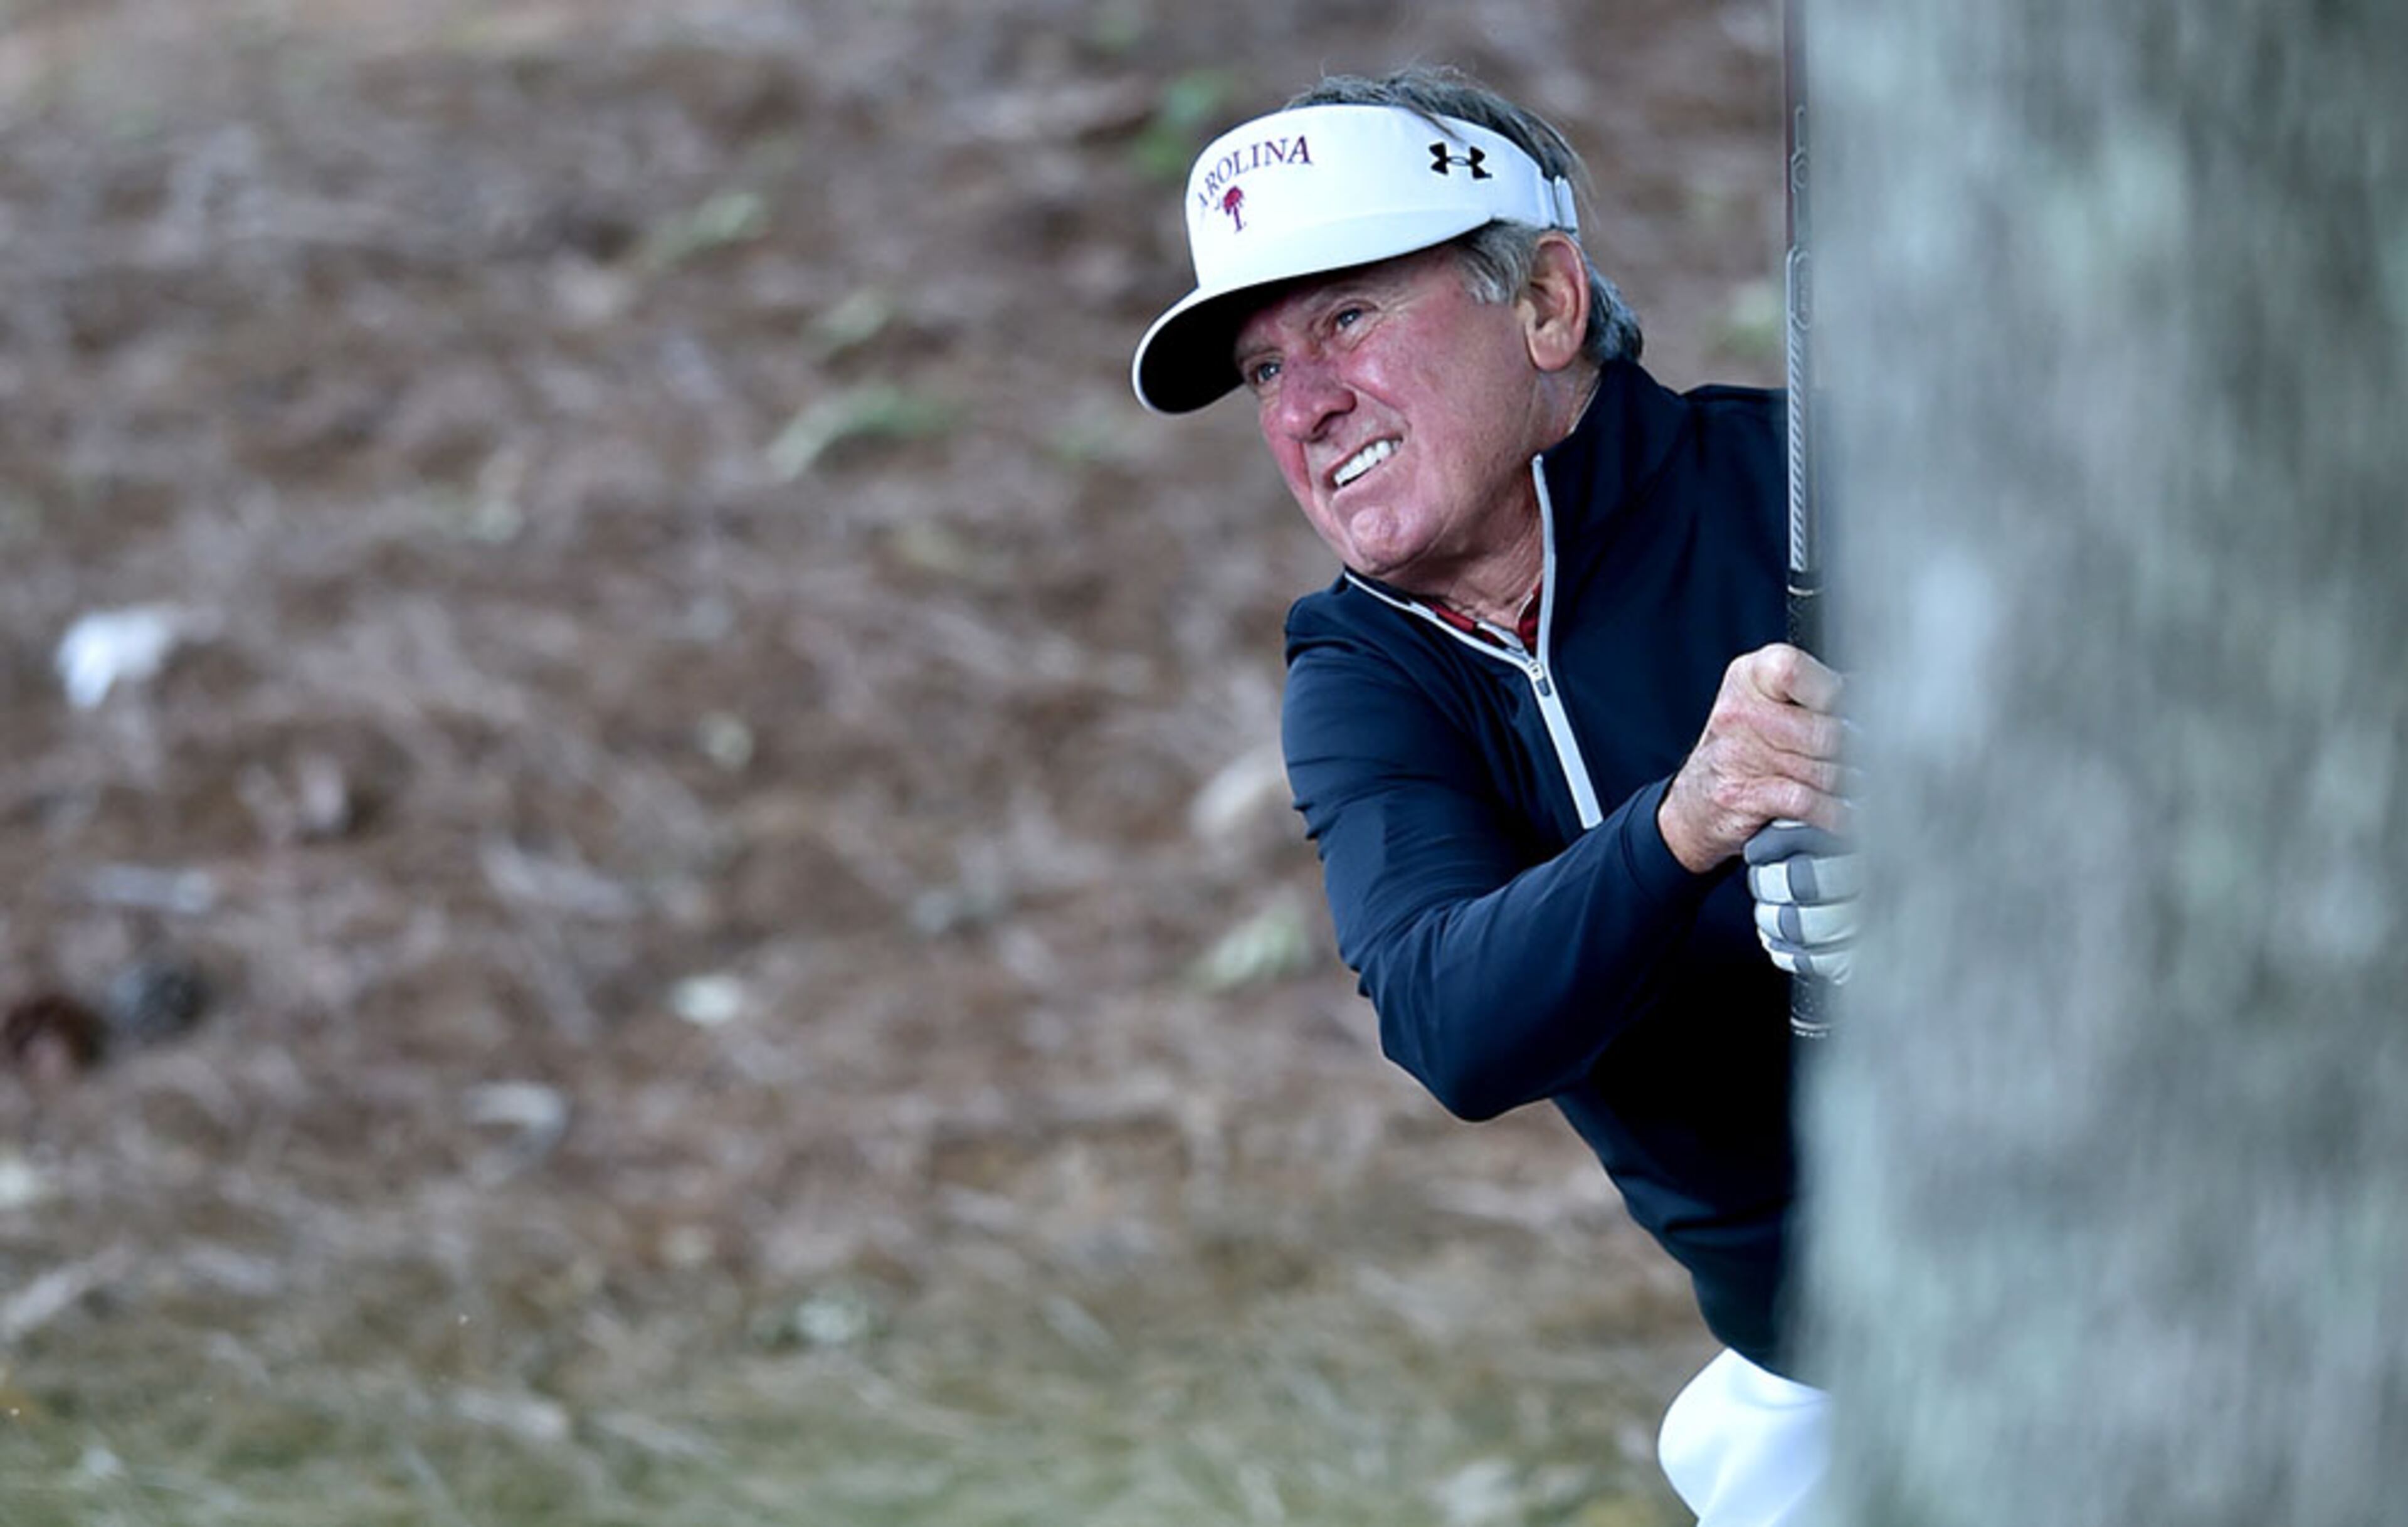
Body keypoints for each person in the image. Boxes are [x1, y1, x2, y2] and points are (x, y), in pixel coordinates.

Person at [1130, 66, 1854, 1527]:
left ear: (1547, 305)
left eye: (1346, 318)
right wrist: (1687, 822)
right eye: (1267, 369)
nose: (1310, 405)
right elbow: (1453, 1025)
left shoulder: (1833, 484)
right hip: (1819, 1363)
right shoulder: (1362, 668)